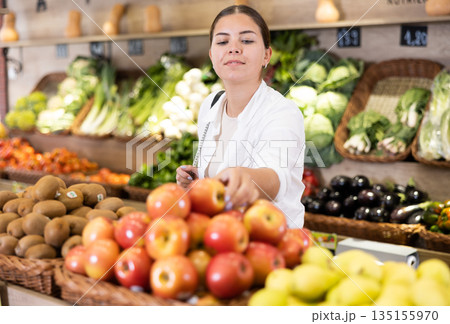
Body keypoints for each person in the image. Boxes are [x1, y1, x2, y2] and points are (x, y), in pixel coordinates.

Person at [176, 5, 305, 228]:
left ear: (267, 55)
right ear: (211, 55)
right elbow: (217, 183)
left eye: (246, 41)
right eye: (223, 41)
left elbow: (277, 178)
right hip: (221, 239)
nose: (234, 48)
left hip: (269, 245)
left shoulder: (283, 112)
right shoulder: (210, 105)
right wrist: (198, 181)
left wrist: (244, 177)